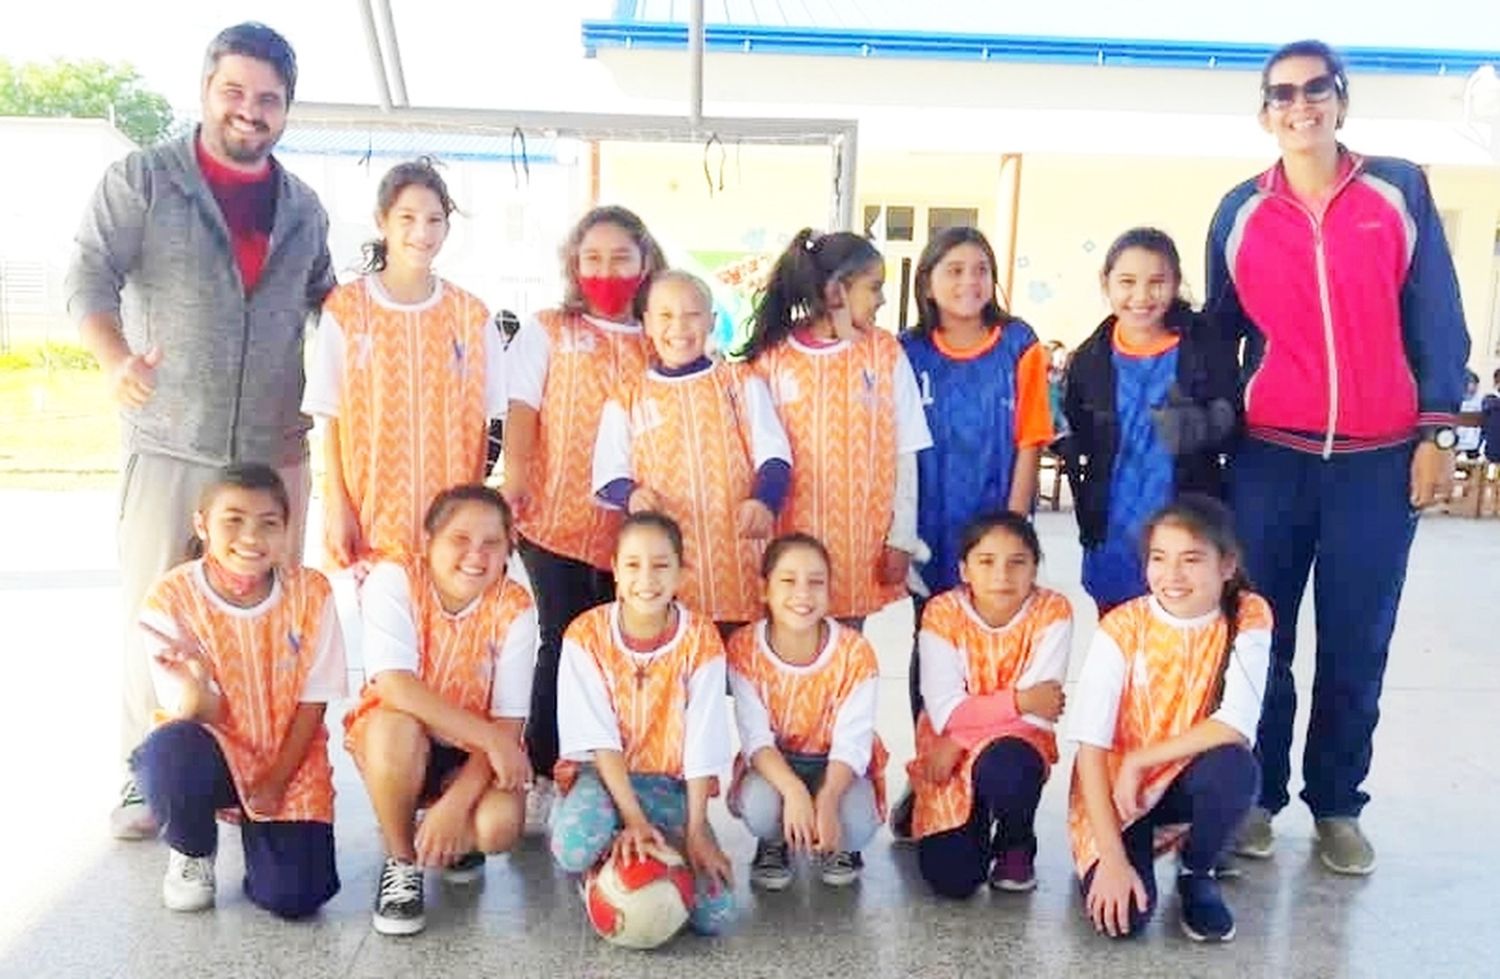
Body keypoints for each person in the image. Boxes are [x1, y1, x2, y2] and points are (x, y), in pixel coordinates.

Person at [65, 22, 335, 839]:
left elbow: (332, 307)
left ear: (286, 109)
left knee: (277, 622)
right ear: (207, 90)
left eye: (268, 99)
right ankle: (148, 772)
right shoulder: (144, 180)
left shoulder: (304, 207)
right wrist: (114, 358)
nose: (249, 111)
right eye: (235, 92)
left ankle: (263, 769)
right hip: (170, 439)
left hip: (274, 448)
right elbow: (87, 274)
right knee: (156, 612)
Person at [1206, 39, 1470, 875]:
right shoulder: (1238, 210)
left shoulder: (1399, 191)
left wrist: (1435, 432)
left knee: (1358, 639)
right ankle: (1256, 794)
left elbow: (1437, 318)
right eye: (1283, 93)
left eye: (1317, 89)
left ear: (1342, 102)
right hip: (1269, 458)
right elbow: (1217, 341)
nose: (1301, 104)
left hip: (1378, 460)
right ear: (1264, 113)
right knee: (1261, 635)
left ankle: (1337, 804)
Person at [502, 206, 665, 831]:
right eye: (592, 258)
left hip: (636, 530)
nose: (606, 271)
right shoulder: (549, 328)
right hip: (555, 517)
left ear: (645, 262)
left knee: (628, 652)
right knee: (562, 643)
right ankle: (545, 772)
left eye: (621, 258)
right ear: (573, 265)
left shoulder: (659, 332)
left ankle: (621, 773)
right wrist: (514, 476)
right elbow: (521, 408)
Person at [132, 464, 346, 918]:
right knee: (167, 753)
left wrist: (276, 779)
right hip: (212, 748)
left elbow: (315, 699)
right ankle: (192, 847)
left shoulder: (312, 592)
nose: (251, 537)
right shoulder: (169, 599)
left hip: (288, 756)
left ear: (287, 528)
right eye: (233, 520)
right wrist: (195, 674)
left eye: (269, 523)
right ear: (201, 524)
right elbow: (191, 710)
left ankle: (263, 840)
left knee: (296, 898)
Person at [1068, 496, 1271, 943]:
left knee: (1236, 766)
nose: (1172, 576)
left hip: (1183, 777)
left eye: (1192, 559)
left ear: (1227, 565)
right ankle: (1123, 848)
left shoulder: (1247, 614)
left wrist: (1143, 758)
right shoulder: (1121, 627)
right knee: (1127, 921)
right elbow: (1090, 747)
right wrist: (1113, 858)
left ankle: (1197, 871)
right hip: (1118, 791)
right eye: (1159, 558)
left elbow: (1236, 722)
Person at [343, 486, 536, 936]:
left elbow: (509, 722)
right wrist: (490, 738)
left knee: (499, 827)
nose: (476, 555)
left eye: (492, 542)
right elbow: (396, 685)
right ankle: (402, 860)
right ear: (429, 541)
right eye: (460, 539)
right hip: (400, 738)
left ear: (508, 549)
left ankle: (447, 835)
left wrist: (456, 804)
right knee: (396, 728)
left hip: (469, 754)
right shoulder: (395, 578)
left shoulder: (515, 606)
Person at [303, 159, 506, 574]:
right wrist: (338, 505)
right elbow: (332, 421)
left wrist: (473, 519)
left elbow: (485, 430)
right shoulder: (346, 310)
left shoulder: (472, 316)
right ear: (383, 221)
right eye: (407, 218)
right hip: (370, 522)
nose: (422, 233)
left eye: (434, 220)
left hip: (449, 532)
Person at [549, 512, 735, 938]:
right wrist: (632, 817)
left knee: (716, 914)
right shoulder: (585, 635)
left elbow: (703, 741)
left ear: (681, 572)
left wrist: (694, 832)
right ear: (615, 568)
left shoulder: (701, 639)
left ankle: (658, 837)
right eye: (633, 564)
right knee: (572, 850)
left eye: (661, 565)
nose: (646, 578)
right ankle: (606, 859)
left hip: (669, 783)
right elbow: (599, 739)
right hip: (604, 776)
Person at [736, 229, 932, 626]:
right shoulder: (772, 360)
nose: (881, 299)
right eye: (873, 287)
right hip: (788, 551)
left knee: (844, 657)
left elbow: (906, 448)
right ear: (835, 291)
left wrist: (903, 537)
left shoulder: (885, 352)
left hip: (859, 551)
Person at [592, 271, 792, 632]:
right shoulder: (627, 397)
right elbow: (608, 474)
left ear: (712, 321)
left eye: (692, 315)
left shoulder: (741, 382)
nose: (679, 327)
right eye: (666, 316)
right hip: (667, 582)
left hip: (739, 568)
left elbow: (774, 454)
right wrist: (632, 496)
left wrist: (764, 500)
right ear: (648, 324)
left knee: (743, 672)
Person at [1064, 228, 1240, 616]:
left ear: (1176, 283)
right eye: (1127, 282)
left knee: (1188, 657)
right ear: (1105, 283)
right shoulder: (1090, 361)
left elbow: (1235, 421)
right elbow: (1077, 437)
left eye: (1156, 282)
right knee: (1121, 654)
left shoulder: (1204, 349)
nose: (1141, 296)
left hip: (1188, 538)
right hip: (1113, 535)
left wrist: (1204, 425)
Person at [908, 513, 1071, 898]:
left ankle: (1016, 842)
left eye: (1018, 562)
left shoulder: (1053, 611)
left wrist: (965, 736)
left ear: (1035, 568)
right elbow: (945, 709)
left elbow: (1041, 709)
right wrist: (1019, 700)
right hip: (946, 751)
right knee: (952, 880)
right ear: (964, 569)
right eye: (986, 561)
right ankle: (971, 818)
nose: (1002, 575)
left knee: (1010, 767)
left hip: (1012, 744)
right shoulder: (942, 612)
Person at [726, 534, 886, 890]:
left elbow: (852, 742)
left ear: (830, 592)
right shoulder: (743, 648)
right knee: (763, 808)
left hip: (837, 764)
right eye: (788, 581)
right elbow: (756, 740)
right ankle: (774, 841)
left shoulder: (855, 652)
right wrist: (795, 793)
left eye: (816, 582)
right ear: (764, 590)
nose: (803, 593)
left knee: (857, 823)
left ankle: (838, 843)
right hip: (776, 764)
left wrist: (828, 799)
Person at [1456, 371, 1482, 459]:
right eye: (1471, 383)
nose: (1474, 386)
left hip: (1473, 444)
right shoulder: (1456, 399)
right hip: (1456, 443)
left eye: (1475, 384)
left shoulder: (1481, 401)